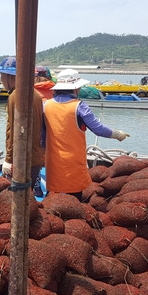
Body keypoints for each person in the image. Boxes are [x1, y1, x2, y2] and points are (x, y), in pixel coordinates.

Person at [42, 69, 130, 201]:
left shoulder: (46, 105)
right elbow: (98, 129)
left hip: (52, 160)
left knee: (53, 197)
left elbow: (41, 135)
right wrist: (117, 134)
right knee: (74, 199)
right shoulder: (79, 107)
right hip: (73, 162)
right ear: (76, 88)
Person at [0, 57, 44, 195]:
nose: (1, 80)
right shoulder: (34, 93)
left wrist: (9, 159)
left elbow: (13, 130)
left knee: (15, 197)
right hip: (36, 156)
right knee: (28, 194)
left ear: (9, 77)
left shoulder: (15, 96)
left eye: (2, 76)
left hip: (23, 158)